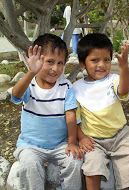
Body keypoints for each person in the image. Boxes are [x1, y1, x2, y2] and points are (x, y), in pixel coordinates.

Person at [72, 33, 129, 190]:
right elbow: (74, 119)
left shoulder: (113, 79)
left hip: (121, 136)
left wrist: (124, 69)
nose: (101, 65)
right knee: (93, 167)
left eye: (106, 60)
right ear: (82, 63)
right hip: (93, 140)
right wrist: (81, 138)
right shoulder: (76, 89)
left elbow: (123, 91)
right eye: (95, 60)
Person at [11, 33, 84, 190]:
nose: (55, 68)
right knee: (30, 165)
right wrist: (31, 72)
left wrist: (72, 143)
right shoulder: (29, 84)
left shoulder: (65, 86)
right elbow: (15, 96)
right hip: (30, 145)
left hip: (60, 144)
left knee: (75, 162)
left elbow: (71, 117)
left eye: (60, 63)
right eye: (50, 62)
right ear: (38, 61)